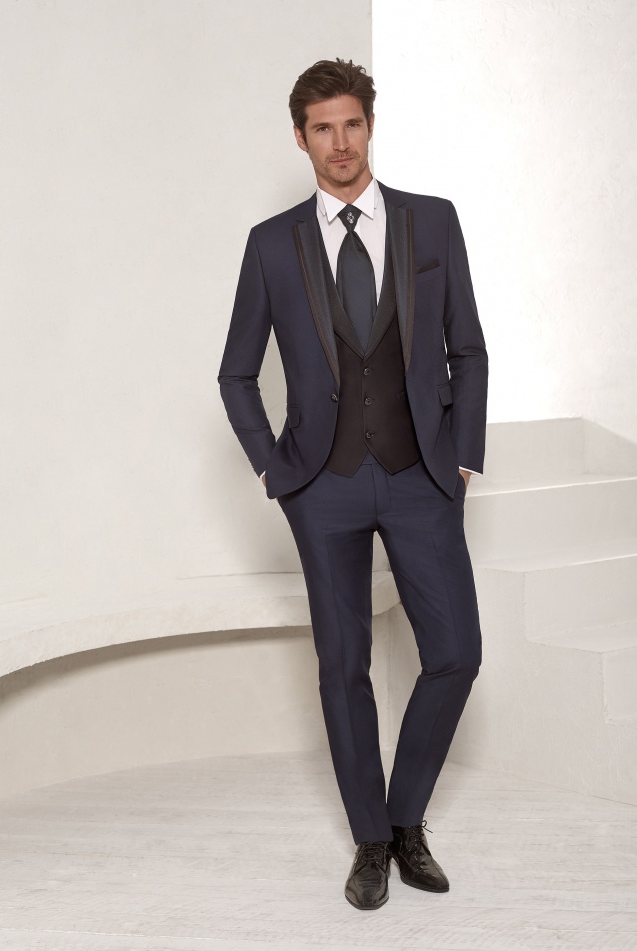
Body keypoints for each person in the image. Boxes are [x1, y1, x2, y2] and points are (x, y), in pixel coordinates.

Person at [217, 58, 487, 910]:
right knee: (343, 666)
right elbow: (235, 373)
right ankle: (371, 838)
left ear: (371, 126)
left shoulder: (431, 222)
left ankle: (406, 818)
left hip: (421, 477)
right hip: (322, 486)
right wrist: (275, 469)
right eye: (322, 128)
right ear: (300, 138)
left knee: (456, 653)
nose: (340, 143)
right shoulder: (272, 244)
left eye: (352, 124)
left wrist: (463, 455)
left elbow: (468, 349)